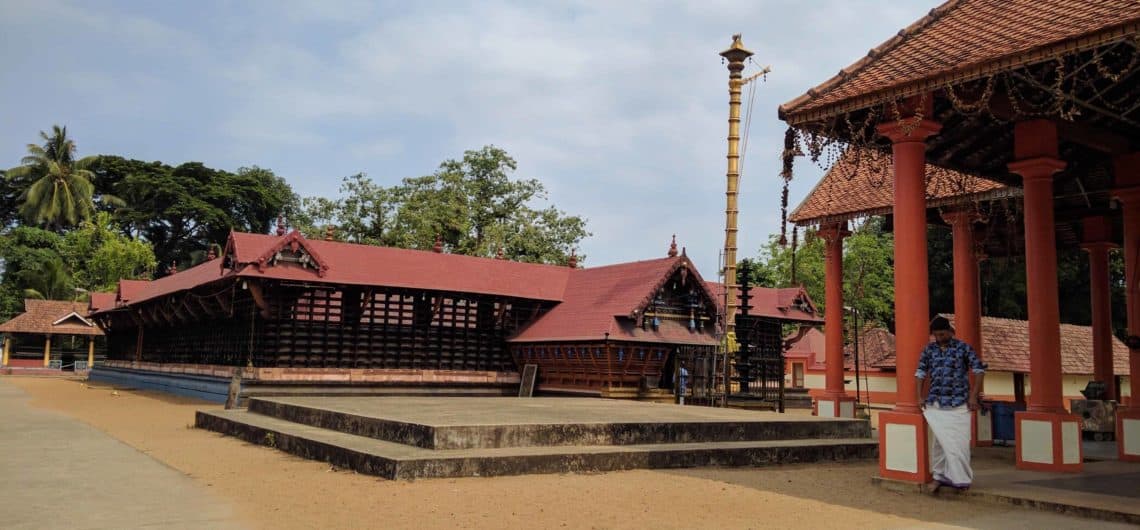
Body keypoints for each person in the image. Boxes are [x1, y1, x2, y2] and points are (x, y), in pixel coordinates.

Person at [916, 316, 986, 492]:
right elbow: (920, 373)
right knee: (939, 443)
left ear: (950, 332)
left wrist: (973, 396)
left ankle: (961, 479)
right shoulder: (929, 350)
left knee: (959, 445)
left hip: (959, 403)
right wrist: (919, 396)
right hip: (936, 403)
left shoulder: (963, 348)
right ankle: (939, 477)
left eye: (942, 334)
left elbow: (978, 370)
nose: (939, 338)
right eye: (936, 335)